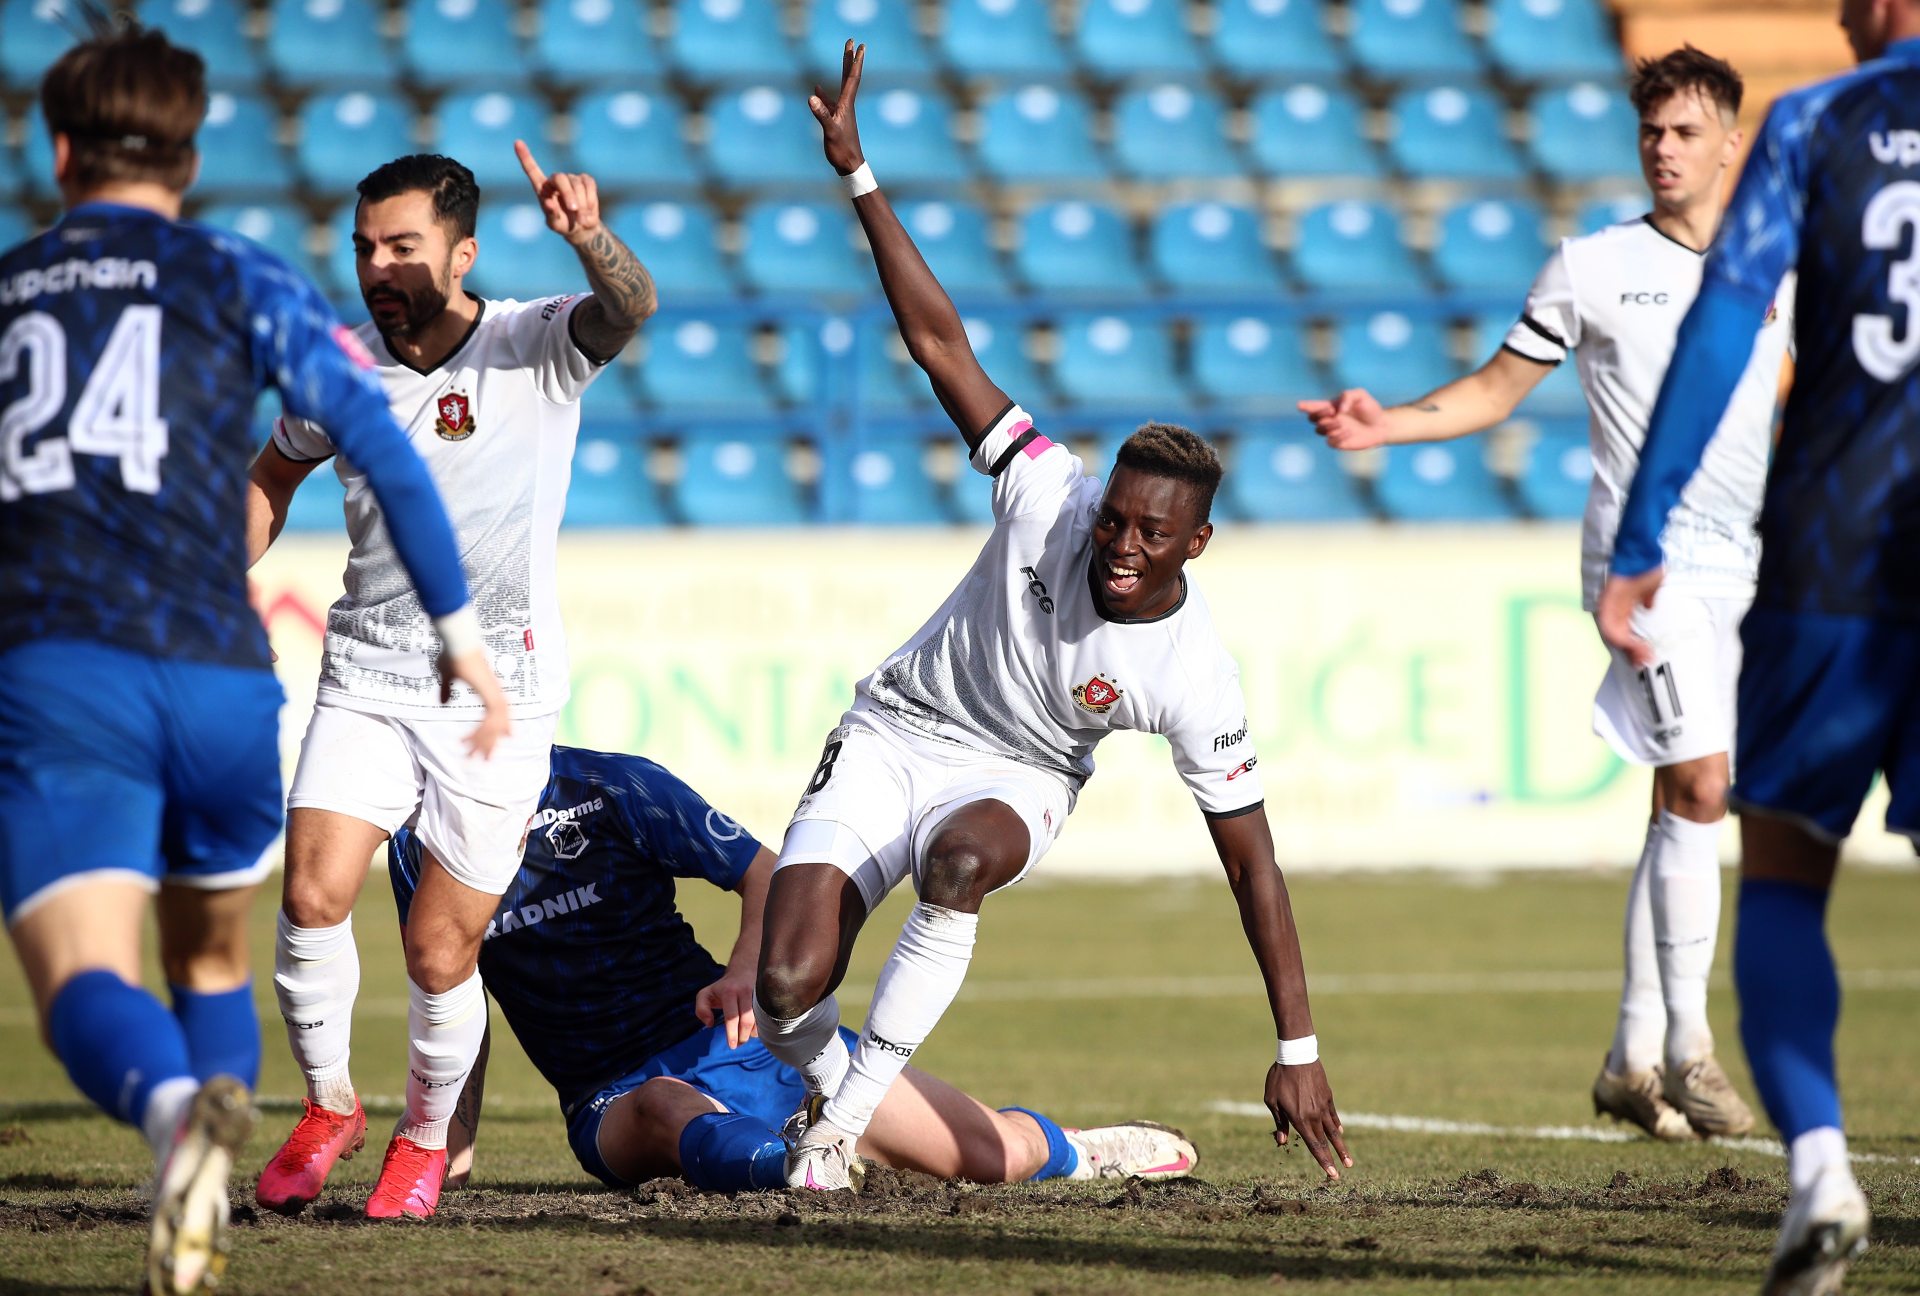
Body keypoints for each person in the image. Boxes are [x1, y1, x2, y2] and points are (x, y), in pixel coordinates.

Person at [749, 43, 1347, 1195]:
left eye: (1151, 535)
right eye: (1116, 521)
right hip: (893, 730)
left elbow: (1255, 869)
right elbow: (939, 344)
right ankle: (855, 1104)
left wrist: (1298, 1050)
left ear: (1197, 544)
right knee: (783, 991)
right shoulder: (1045, 487)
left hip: (1019, 775)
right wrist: (860, 176)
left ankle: (840, 1129)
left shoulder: (1192, 670)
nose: (1120, 548)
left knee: (961, 862)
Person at [0, 26, 500, 1296]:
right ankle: (211, 1184)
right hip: (225, 683)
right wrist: (460, 637)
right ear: (190, 152)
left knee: (84, 983)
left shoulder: (10, 291)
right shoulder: (245, 276)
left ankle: (177, 1115)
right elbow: (382, 450)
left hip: (67, 671)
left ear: (54, 150)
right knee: (214, 952)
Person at [1301, 46, 1788, 1145]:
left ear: (1729, 143)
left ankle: (1630, 1057)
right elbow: (1493, 386)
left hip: (1748, 565)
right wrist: (1392, 421)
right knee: (1702, 787)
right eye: (1650, 132)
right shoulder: (1594, 264)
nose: (1663, 150)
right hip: (1640, 563)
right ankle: (1693, 1054)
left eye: (1683, 132)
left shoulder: (1778, 264)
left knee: (1688, 800)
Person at [246, 147, 657, 1221]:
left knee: (439, 947)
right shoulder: (337, 369)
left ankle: (425, 1140)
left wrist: (587, 237)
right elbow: (274, 473)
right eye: (365, 248)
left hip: (499, 696)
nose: (379, 268)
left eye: (403, 248)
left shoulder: (535, 346)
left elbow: (633, 304)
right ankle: (330, 1106)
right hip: (369, 669)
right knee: (309, 894)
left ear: (462, 253)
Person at [1597, 2, 1920, 1287]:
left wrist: (1641, 531)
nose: (1838, 14)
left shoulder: (1820, 122)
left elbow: (1723, 322)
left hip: (1836, 556)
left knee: (1784, 874)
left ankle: (1824, 1174)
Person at [387, 745, 1202, 1194]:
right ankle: (804, 1166)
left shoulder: (613, 787)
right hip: (610, 1096)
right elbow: (451, 995)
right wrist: (444, 1141)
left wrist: (746, 971)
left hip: (749, 1048)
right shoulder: (417, 845)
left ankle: (1076, 1151)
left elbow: (767, 871)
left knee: (993, 1159)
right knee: (668, 1107)